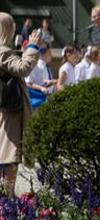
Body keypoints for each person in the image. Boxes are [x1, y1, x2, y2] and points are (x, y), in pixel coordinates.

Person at [0, 13, 41, 195]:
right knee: (9, 155)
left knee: (8, 155)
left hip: (8, 111)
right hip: (9, 113)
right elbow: (22, 69)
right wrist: (33, 46)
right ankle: (6, 199)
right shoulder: (1, 51)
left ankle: (6, 198)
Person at [25, 46, 55, 110]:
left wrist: (48, 82)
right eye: (49, 53)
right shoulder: (36, 66)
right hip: (37, 99)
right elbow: (28, 83)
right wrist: (42, 88)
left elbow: (40, 81)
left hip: (44, 98)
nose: (51, 55)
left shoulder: (43, 66)